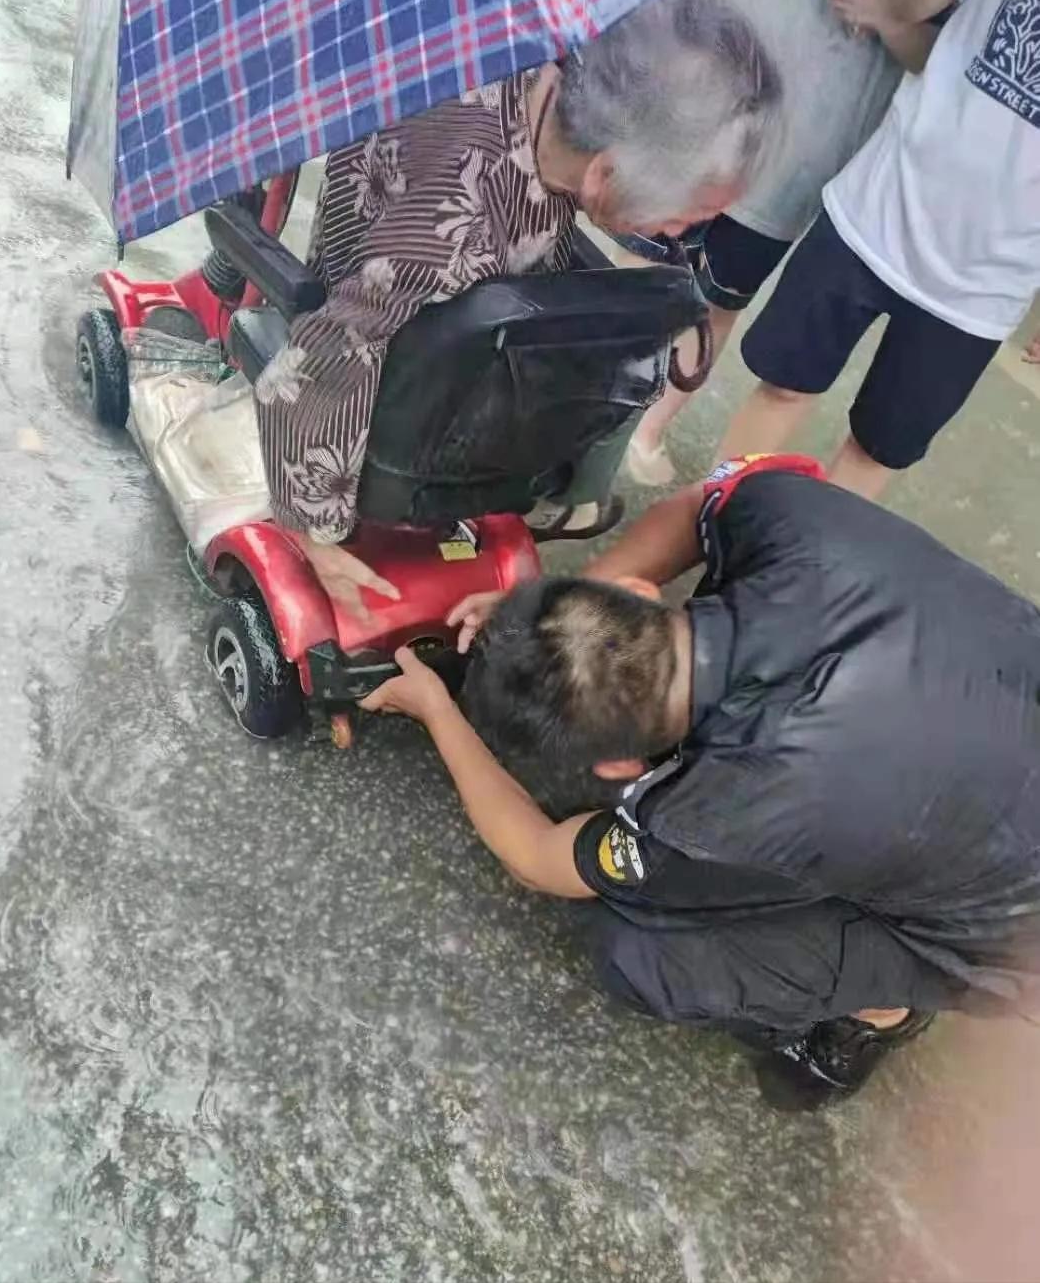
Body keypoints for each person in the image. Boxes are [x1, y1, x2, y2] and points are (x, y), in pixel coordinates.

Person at [362, 453, 1040, 1110]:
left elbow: (539, 859)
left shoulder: (718, 809)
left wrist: (435, 710)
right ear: (635, 593)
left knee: (637, 949)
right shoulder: (790, 514)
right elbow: (696, 507)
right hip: (989, 715)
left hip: (1010, 938)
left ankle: (884, 1006)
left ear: (620, 768)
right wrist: (557, 629)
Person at [252, 0, 782, 618]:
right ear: (606, 173)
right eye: (689, 214)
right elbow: (329, 356)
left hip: (461, 295)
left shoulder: (538, 72)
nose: (681, 234)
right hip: (387, 348)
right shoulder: (447, 231)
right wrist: (316, 531)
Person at [715, 0, 1040, 500]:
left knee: (875, 450)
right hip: (879, 208)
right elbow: (910, 5)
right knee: (784, 388)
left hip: (988, 285)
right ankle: (711, 525)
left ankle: (782, 579)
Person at [626, 0, 940, 487]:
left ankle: (644, 428)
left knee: (716, 295)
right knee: (648, 251)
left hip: (812, 128)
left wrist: (890, 14)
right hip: (726, 68)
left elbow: (943, 53)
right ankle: (601, 412)